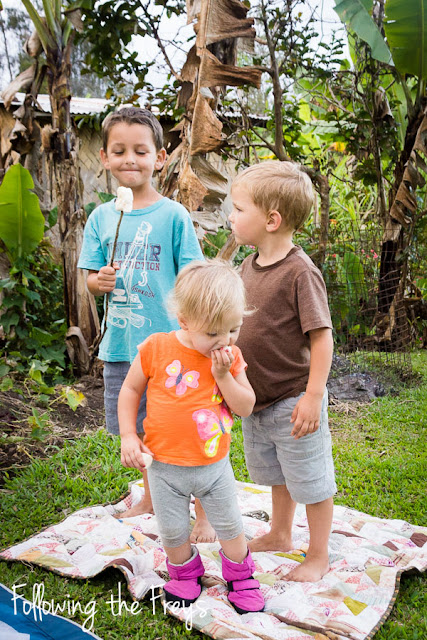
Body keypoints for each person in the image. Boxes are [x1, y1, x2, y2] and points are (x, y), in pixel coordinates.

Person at [77, 107, 214, 543]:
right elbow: (89, 279)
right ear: (104, 157)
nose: (129, 159)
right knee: (139, 430)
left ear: (160, 158)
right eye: (119, 151)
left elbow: (193, 274)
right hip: (123, 345)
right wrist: (98, 281)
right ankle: (153, 499)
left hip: (172, 348)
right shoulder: (101, 218)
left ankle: (204, 512)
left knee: (186, 428)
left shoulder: (173, 216)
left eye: (140, 151)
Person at [117, 260, 265, 614]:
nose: (225, 341)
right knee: (171, 531)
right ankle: (184, 573)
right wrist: (128, 435)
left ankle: (241, 576)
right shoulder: (156, 348)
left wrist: (224, 376)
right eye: (213, 333)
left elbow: (245, 406)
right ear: (184, 321)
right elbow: (130, 390)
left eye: (233, 329)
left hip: (213, 468)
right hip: (163, 468)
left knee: (230, 527)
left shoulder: (230, 358)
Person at [229, 160, 336, 583]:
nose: (231, 216)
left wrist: (313, 396)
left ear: (271, 220)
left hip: (293, 400)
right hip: (257, 400)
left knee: (311, 480)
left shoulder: (300, 272)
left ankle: (319, 554)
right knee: (278, 474)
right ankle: (280, 532)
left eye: (239, 209)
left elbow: (322, 338)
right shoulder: (248, 265)